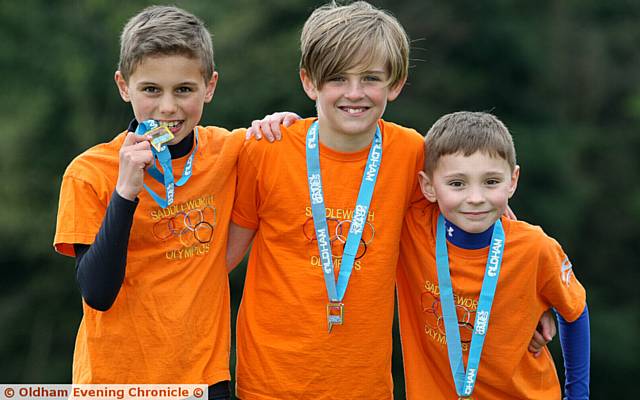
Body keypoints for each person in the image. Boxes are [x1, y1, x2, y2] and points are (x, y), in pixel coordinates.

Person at [227, 2, 554, 399]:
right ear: (309, 82)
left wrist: (536, 298)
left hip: (365, 386)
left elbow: (484, 213)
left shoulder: (413, 154)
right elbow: (223, 259)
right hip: (268, 382)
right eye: (336, 78)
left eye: (370, 78)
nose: (354, 93)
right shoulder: (267, 150)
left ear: (395, 84)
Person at [53, 6, 285, 399]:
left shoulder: (230, 151)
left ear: (209, 87)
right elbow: (97, 292)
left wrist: (282, 122)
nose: (167, 108)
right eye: (150, 90)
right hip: (114, 383)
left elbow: (292, 151)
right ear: (123, 86)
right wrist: (126, 191)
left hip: (205, 379)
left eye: (184, 89)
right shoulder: (89, 172)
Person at [396, 111, 590, 399]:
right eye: (457, 183)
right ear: (428, 186)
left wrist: (578, 396)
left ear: (512, 181)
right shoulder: (411, 228)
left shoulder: (536, 247)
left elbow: (575, 312)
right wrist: (305, 130)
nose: (476, 198)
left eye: (491, 182)